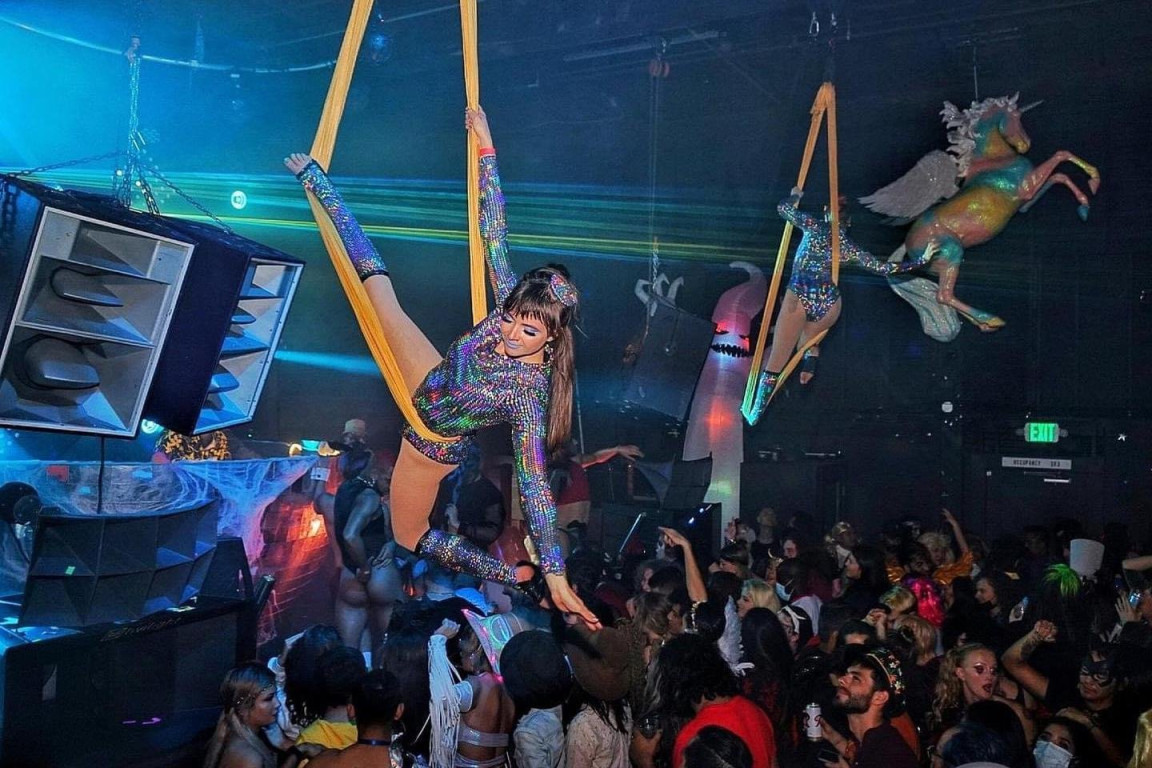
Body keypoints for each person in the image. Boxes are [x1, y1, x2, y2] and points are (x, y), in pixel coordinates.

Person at [286, 106, 598, 629]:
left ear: (551, 340)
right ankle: (320, 184)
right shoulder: (509, 301)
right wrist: (487, 147)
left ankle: (502, 572)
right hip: (428, 377)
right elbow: (493, 230)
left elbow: (536, 488)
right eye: (511, 320)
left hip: (431, 442)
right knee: (378, 291)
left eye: (528, 332)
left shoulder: (529, 396)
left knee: (408, 535)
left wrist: (555, 572)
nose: (511, 333)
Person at [743, 189, 933, 424]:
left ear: (827, 213)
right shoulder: (848, 247)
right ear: (848, 223)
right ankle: (810, 357)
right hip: (829, 303)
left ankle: (755, 412)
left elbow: (783, 208)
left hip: (800, 295)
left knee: (777, 359)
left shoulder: (814, 227)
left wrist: (795, 196)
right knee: (806, 339)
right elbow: (883, 268)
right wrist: (922, 260)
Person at [331, 446, 403, 658]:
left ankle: (362, 674)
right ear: (374, 472)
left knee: (350, 652)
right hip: (377, 571)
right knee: (395, 645)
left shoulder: (344, 490)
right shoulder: (369, 496)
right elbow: (350, 535)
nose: (390, 486)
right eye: (388, 480)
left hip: (349, 577)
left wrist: (391, 544)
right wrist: (364, 567)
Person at [204, 663, 323, 768]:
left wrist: (297, 750)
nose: (277, 704)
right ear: (244, 708)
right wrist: (297, 752)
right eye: (268, 699)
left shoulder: (235, 738)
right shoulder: (249, 757)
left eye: (275, 695)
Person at [818, 647, 919, 768]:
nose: (841, 680)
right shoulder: (869, 741)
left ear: (879, 697)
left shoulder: (891, 755)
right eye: (846, 674)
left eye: (856, 678)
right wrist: (835, 739)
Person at [302, 669, 406, 768]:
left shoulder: (321, 763)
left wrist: (297, 752)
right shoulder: (409, 763)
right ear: (399, 710)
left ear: (351, 710)